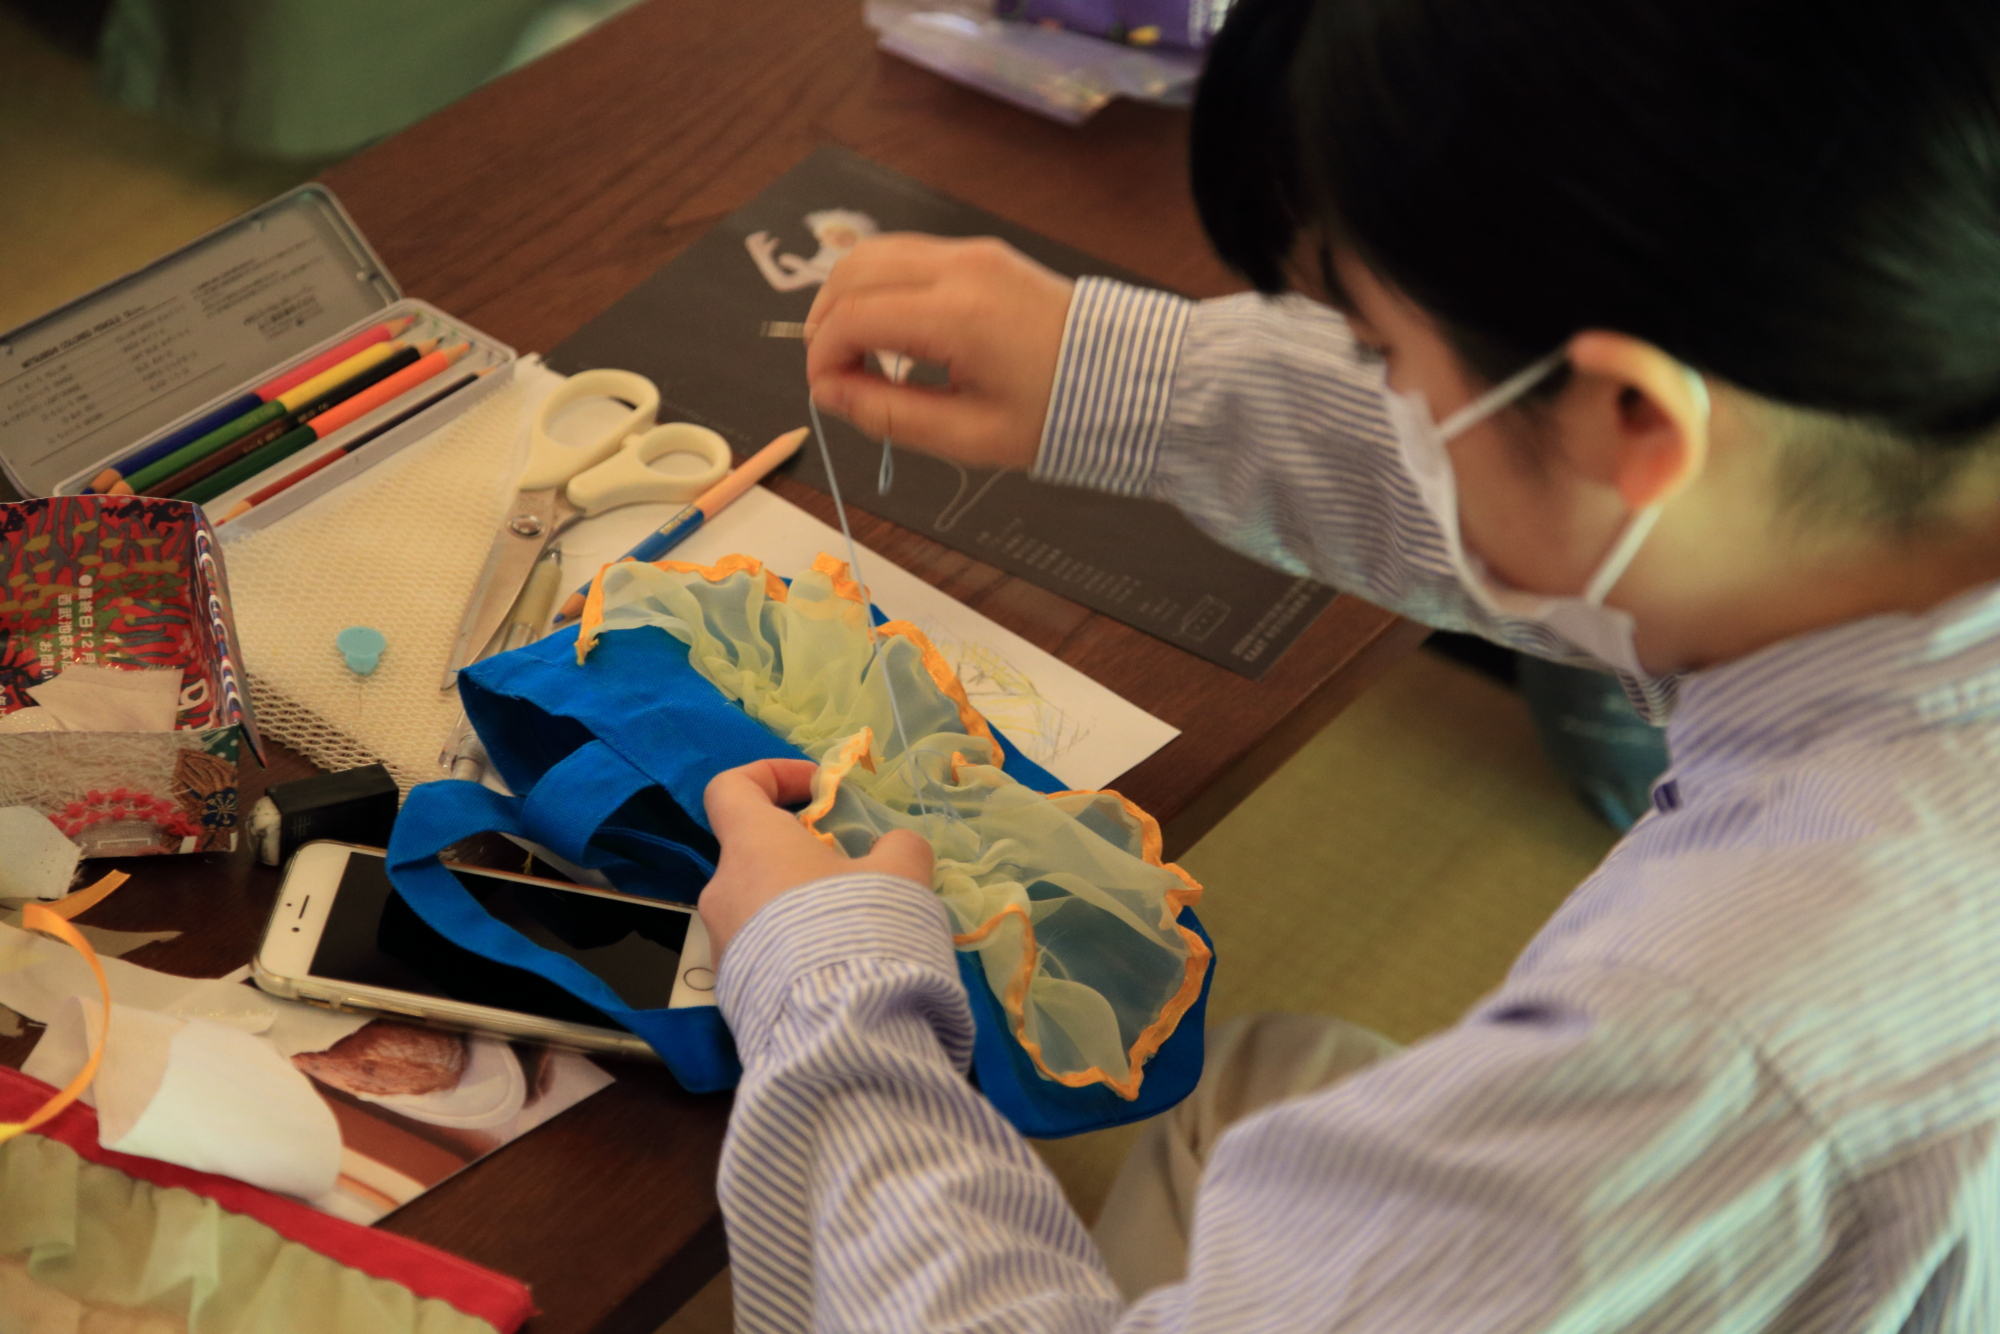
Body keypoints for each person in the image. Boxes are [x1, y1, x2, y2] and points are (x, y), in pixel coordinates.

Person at [694, 0, 2000, 1327]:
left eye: (1376, 352)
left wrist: (830, 990)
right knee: (1267, 1075)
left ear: (1631, 420)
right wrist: (1119, 375)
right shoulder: (1897, 484)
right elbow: (1567, 493)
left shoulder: (1708, 1036)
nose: (1377, 385)